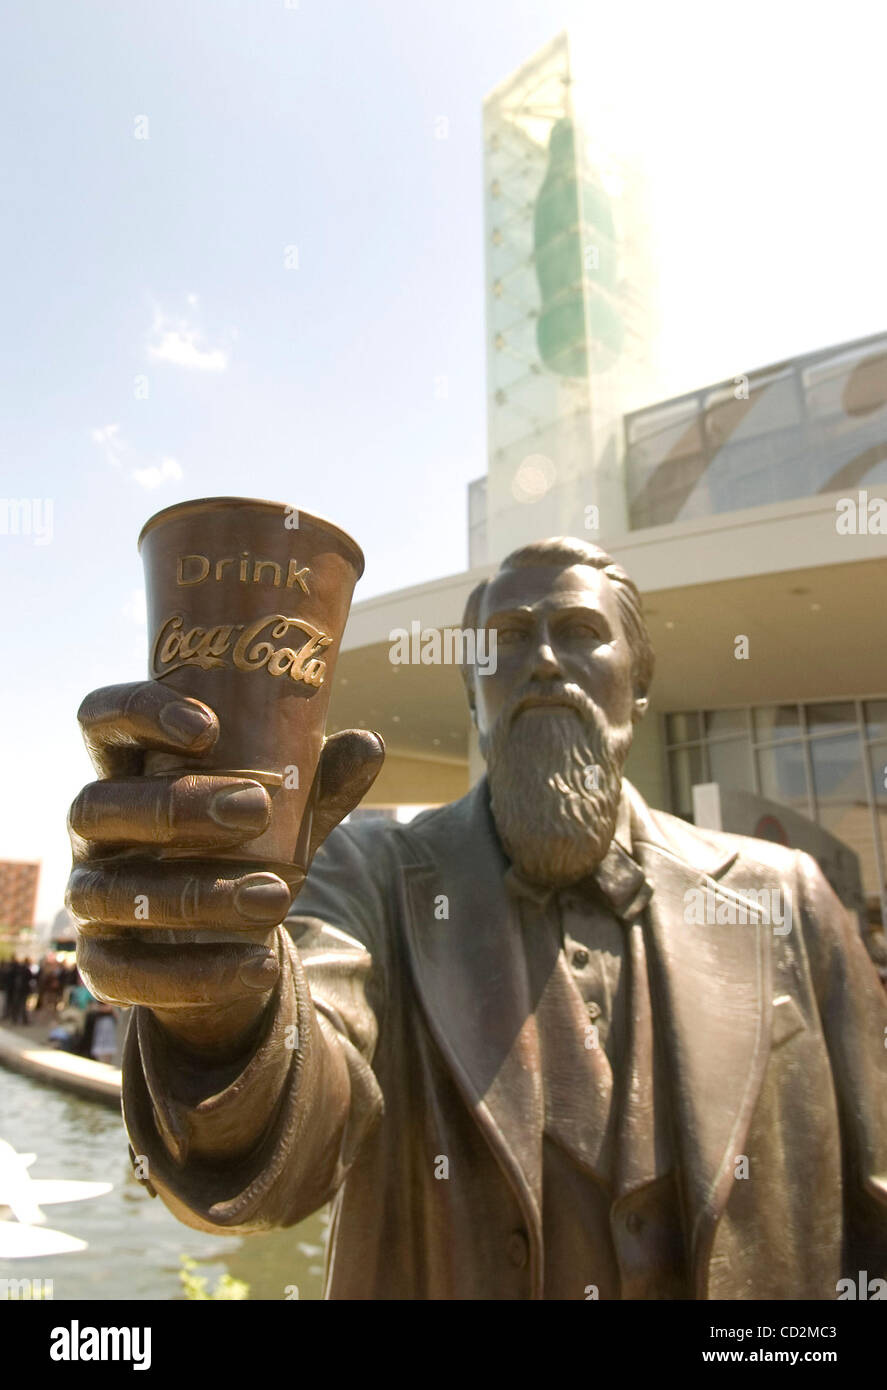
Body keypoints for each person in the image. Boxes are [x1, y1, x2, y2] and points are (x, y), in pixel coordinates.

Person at [66, 537, 887, 1300]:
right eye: (504, 639)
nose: (541, 662)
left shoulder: (783, 896)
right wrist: (217, 1002)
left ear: (637, 680)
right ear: (471, 689)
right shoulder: (370, 876)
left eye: (578, 633)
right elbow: (283, 1142)